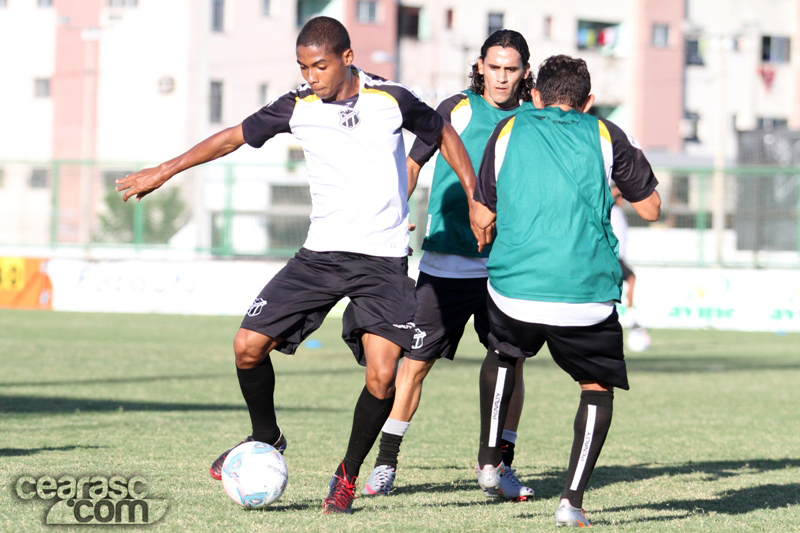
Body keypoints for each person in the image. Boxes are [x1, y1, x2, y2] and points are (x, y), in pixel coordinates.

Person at [116, 16, 480, 515]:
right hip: (320, 256)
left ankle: (347, 477)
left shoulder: (392, 99)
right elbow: (232, 137)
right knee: (247, 347)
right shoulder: (298, 105)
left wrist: (476, 194)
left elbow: (442, 134)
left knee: (382, 376)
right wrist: (165, 170)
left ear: (347, 59)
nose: (311, 75)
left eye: (320, 65)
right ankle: (266, 434)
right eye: (304, 66)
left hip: (381, 261)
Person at [470, 55, 661, 527]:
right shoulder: (605, 133)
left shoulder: (509, 129)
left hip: (514, 287)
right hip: (585, 293)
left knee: (504, 351)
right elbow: (653, 208)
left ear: (534, 94)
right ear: (589, 102)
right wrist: (608, 190)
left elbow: (482, 212)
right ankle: (571, 503)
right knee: (596, 389)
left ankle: (490, 462)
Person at [362, 30, 536, 501]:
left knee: (511, 366)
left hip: (506, 268)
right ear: (480, 66)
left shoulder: (534, 121)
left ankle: (500, 466)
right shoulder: (455, 108)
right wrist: (392, 217)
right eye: (494, 67)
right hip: (443, 266)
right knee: (414, 366)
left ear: (524, 72)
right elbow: (414, 164)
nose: (502, 77)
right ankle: (386, 464)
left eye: (511, 68)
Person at [610, 184, 636, 311]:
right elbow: (609, 194)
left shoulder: (619, 212)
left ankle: (631, 316)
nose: (622, 199)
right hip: (613, 256)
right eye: (620, 196)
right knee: (631, 278)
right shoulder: (609, 208)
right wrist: (622, 186)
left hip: (619, 256)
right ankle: (632, 319)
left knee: (630, 279)